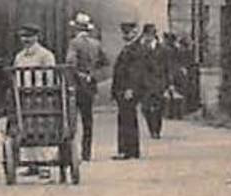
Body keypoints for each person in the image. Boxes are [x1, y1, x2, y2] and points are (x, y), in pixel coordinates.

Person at [66, 14, 108, 163]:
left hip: (76, 86)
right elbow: (105, 62)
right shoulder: (96, 44)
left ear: (76, 28)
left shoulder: (74, 43)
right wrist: (92, 75)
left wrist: (79, 76)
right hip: (90, 87)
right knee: (87, 121)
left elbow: (71, 63)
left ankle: (70, 152)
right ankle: (86, 153)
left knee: (71, 120)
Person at [111, 21, 146, 159]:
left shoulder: (135, 49)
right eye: (124, 33)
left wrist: (130, 88)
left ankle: (127, 150)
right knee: (127, 118)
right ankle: (130, 150)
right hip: (124, 90)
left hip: (127, 90)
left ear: (134, 33)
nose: (125, 35)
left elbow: (135, 72)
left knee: (127, 119)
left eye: (128, 33)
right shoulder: (130, 48)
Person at [139, 23, 165, 139]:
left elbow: (167, 67)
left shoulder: (162, 49)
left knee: (158, 107)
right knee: (145, 108)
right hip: (144, 83)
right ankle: (151, 127)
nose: (149, 37)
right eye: (147, 35)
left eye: (151, 34)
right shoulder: (140, 48)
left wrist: (169, 84)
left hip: (158, 82)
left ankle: (156, 130)